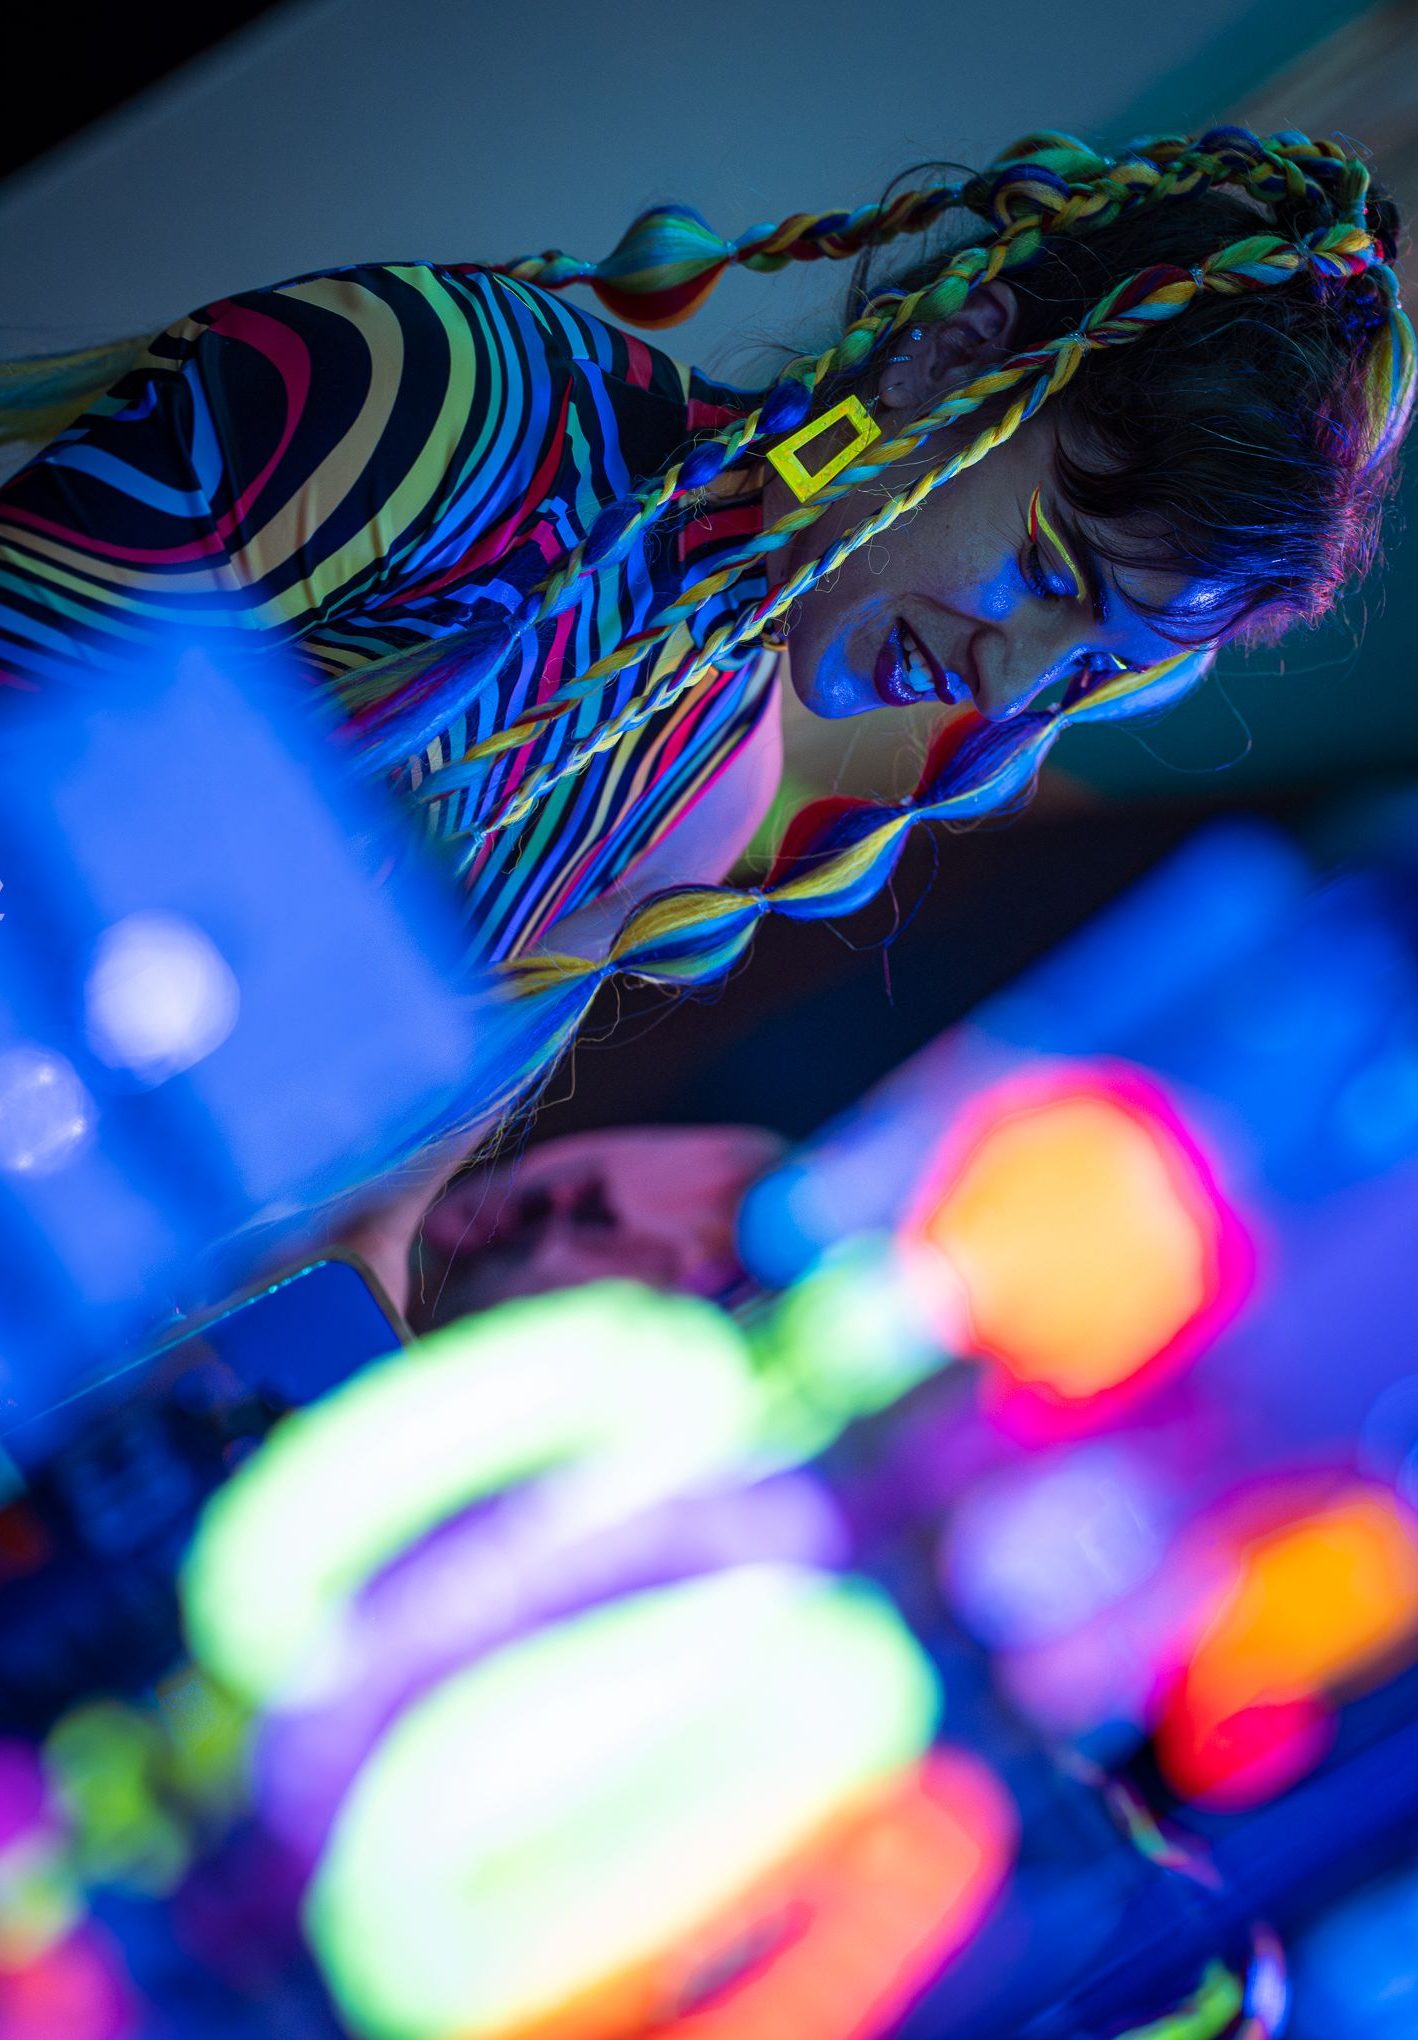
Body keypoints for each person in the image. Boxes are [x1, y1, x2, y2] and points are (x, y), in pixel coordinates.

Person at [1, 127, 1412, 1262]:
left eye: (1092, 661)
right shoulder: (440, 399)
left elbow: (351, 1227)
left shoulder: (705, 800)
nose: (1008, 681)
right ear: (948, 359)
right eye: (1048, 568)